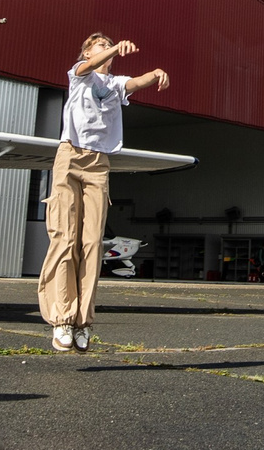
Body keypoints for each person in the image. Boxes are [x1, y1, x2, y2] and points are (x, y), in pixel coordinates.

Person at [40, 33, 169, 353]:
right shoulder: (78, 74)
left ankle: (83, 321)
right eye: (100, 45)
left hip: (98, 163)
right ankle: (62, 319)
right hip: (69, 156)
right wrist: (113, 48)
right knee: (65, 239)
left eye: (108, 46)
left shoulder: (114, 84)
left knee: (92, 243)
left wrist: (155, 74)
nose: (106, 51)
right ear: (87, 51)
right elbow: (91, 65)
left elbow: (136, 82)